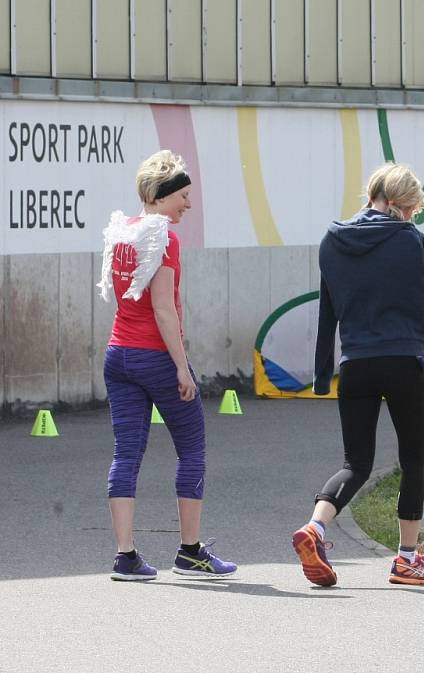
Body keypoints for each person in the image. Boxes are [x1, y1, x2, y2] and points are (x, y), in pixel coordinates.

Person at [291, 162, 424, 587]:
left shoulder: (332, 240)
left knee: (355, 462)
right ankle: (407, 559)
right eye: (413, 208)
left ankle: (316, 527)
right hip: (403, 359)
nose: (414, 217)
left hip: (355, 362)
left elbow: (328, 308)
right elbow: (422, 301)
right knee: (413, 460)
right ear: (400, 204)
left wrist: (324, 372)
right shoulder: (410, 240)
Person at [97, 149, 237, 581]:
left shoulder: (123, 232)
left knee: (127, 453)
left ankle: (125, 556)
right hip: (154, 355)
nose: (188, 205)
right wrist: (181, 366)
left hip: (117, 354)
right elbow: (163, 308)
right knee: (192, 448)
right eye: (184, 196)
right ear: (162, 196)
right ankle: (190, 552)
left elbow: (122, 299)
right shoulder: (164, 237)